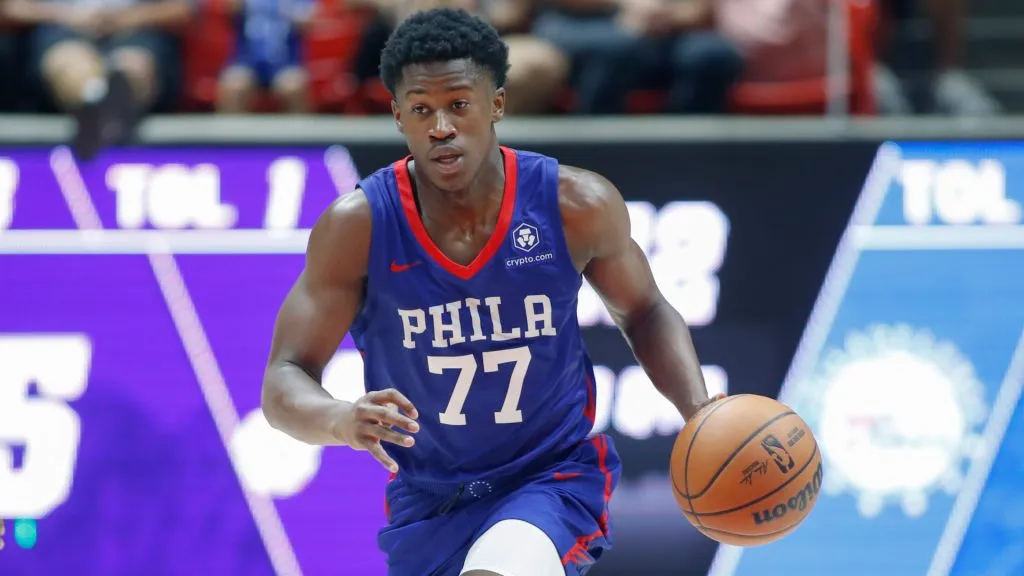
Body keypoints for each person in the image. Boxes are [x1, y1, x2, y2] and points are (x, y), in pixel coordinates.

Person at [261, 7, 722, 576]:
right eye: (422, 110)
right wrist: (339, 419)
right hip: (429, 501)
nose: (441, 128)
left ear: (496, 104)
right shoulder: (358, 227)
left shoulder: (574, 204)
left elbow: (645, 310)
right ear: (398, 115)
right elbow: (285, 375)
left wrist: (697, 409)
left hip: (549, 478)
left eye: (459, 104)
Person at [5, 0, 191, 158]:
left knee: (133, 64)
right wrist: (67, 16)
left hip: (138, 30)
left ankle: (108, 103)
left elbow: (183, 10)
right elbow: (10, 8)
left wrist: (127, 19)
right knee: (70, 60)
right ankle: (96, 101)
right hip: (60, 29)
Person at [216, 0, 312, 113]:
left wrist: (290, 10)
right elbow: (227, 8)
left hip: (285, 63)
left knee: (295, 87)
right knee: (233, 86)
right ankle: (232, 130)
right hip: (247, 62)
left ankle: (297, 130)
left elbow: (309, 20)